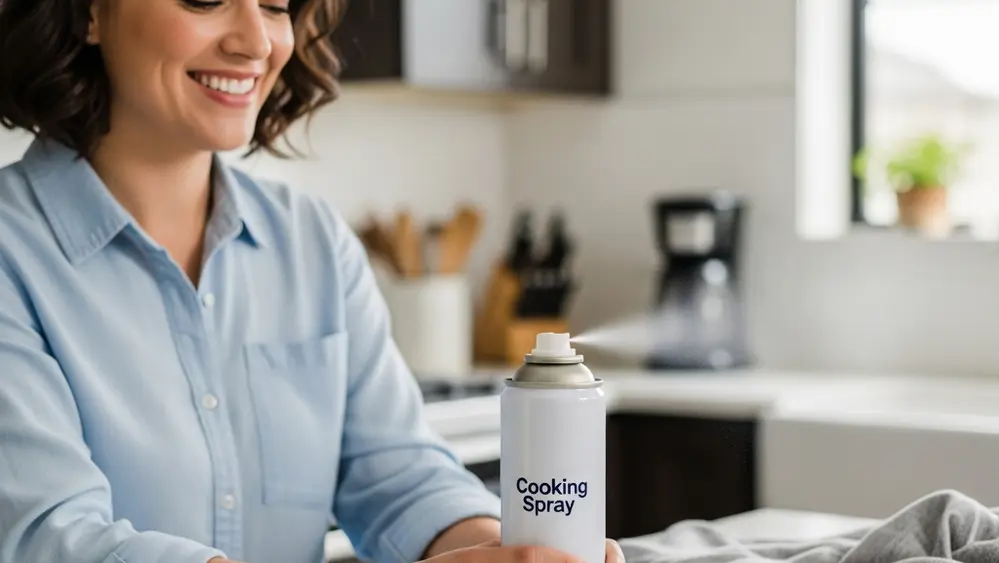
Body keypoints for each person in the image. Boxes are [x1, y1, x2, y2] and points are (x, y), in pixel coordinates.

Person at [0, 1, 626, 562]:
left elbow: (400, 477)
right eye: (205, 0)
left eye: (276, 5)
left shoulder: (312, 242)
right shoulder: (12, 252)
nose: (256, 40)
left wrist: (495, 552)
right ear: (89, 13)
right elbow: (49, 536)